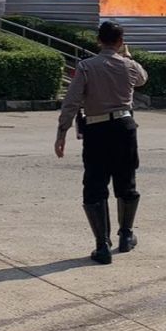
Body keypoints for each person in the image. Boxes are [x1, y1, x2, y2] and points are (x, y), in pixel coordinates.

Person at [55, 21, 149, 265]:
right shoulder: (130, 66)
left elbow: (72, 100)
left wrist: (62, 130)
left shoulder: (86, 67)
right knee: (126, 180)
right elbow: (142, 80)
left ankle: (102, 245)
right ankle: (126, 236)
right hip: (125, 127)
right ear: (120, 41)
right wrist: (127, 55)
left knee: (95, 184)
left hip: (97, 129)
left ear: (98, 40)